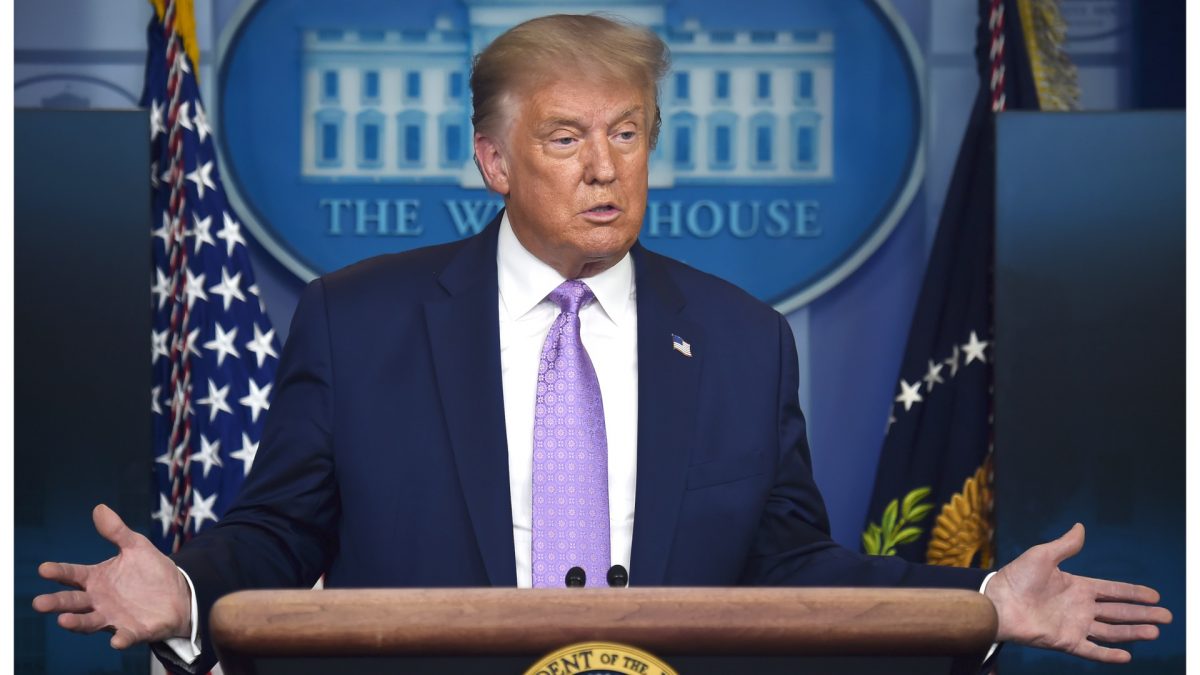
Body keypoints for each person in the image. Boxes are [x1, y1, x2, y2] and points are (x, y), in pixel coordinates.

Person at [34, 14, 1169, 674]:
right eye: (567, 137)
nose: (605, 167)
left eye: (628, 135)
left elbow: (790, 570)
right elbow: (279, 536)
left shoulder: (739, 339)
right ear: (492, 160)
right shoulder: (358, 319)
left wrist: (981, 602)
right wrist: (182, 591)